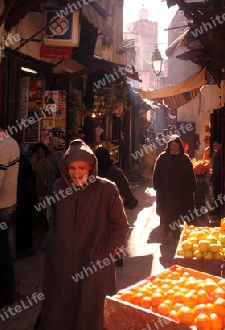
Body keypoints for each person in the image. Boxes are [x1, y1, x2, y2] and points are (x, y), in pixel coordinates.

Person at [37, 139, 129, 330]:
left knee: (92, 312)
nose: (77, 173)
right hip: (62, 262)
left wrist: (108, 253)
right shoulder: (58, 188)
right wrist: (51, 244)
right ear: (65, 168)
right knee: (60, 310)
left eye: (82, 168)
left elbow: (121, 226)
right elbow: (53, 219)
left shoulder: (107, 189)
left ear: (91, 168)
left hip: (95, 264)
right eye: (72, 168)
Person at [153, 134, 196, 241]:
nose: (173, 147)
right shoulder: (162, 157)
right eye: (171, 145)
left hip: (180, 193)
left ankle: (176, 232)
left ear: (179, 146)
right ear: (169, 145)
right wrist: (157, 186)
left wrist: (192, 187)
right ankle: (166, 231)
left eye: (175, 145)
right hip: (165, 192)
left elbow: (190, 175)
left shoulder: (185, 159)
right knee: (166, 212)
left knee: (179, 212)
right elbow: (156, 173)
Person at [0, 115, 20, 306]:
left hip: (1, 206)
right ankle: (8, 290)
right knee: (3, 249)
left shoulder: (1, 146)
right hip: (9, 204)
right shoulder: (11, 142)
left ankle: (6, 292)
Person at [16, 153, 34, 257]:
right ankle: (25, 248)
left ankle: (22, 248)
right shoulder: (24, 160)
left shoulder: (20, 160)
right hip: (24, 195)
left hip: (20, 196)